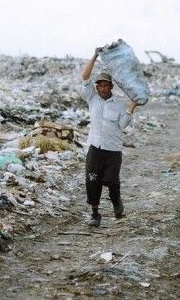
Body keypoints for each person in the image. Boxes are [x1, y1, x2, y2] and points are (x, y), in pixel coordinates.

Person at [81, 50, 137, 227]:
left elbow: (122, 125)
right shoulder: (92, 99)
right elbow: (85, 76)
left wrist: (132, 107)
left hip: (113, 150)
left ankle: (116, 201)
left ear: (111, 87)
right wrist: (95, 56)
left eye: (106, 85)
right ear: (96, 88)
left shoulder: (119, 104)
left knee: (111, 180)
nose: (103, 88)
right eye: (100, 86)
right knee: (92, 180)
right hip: (95, 148)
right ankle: (95, 214)